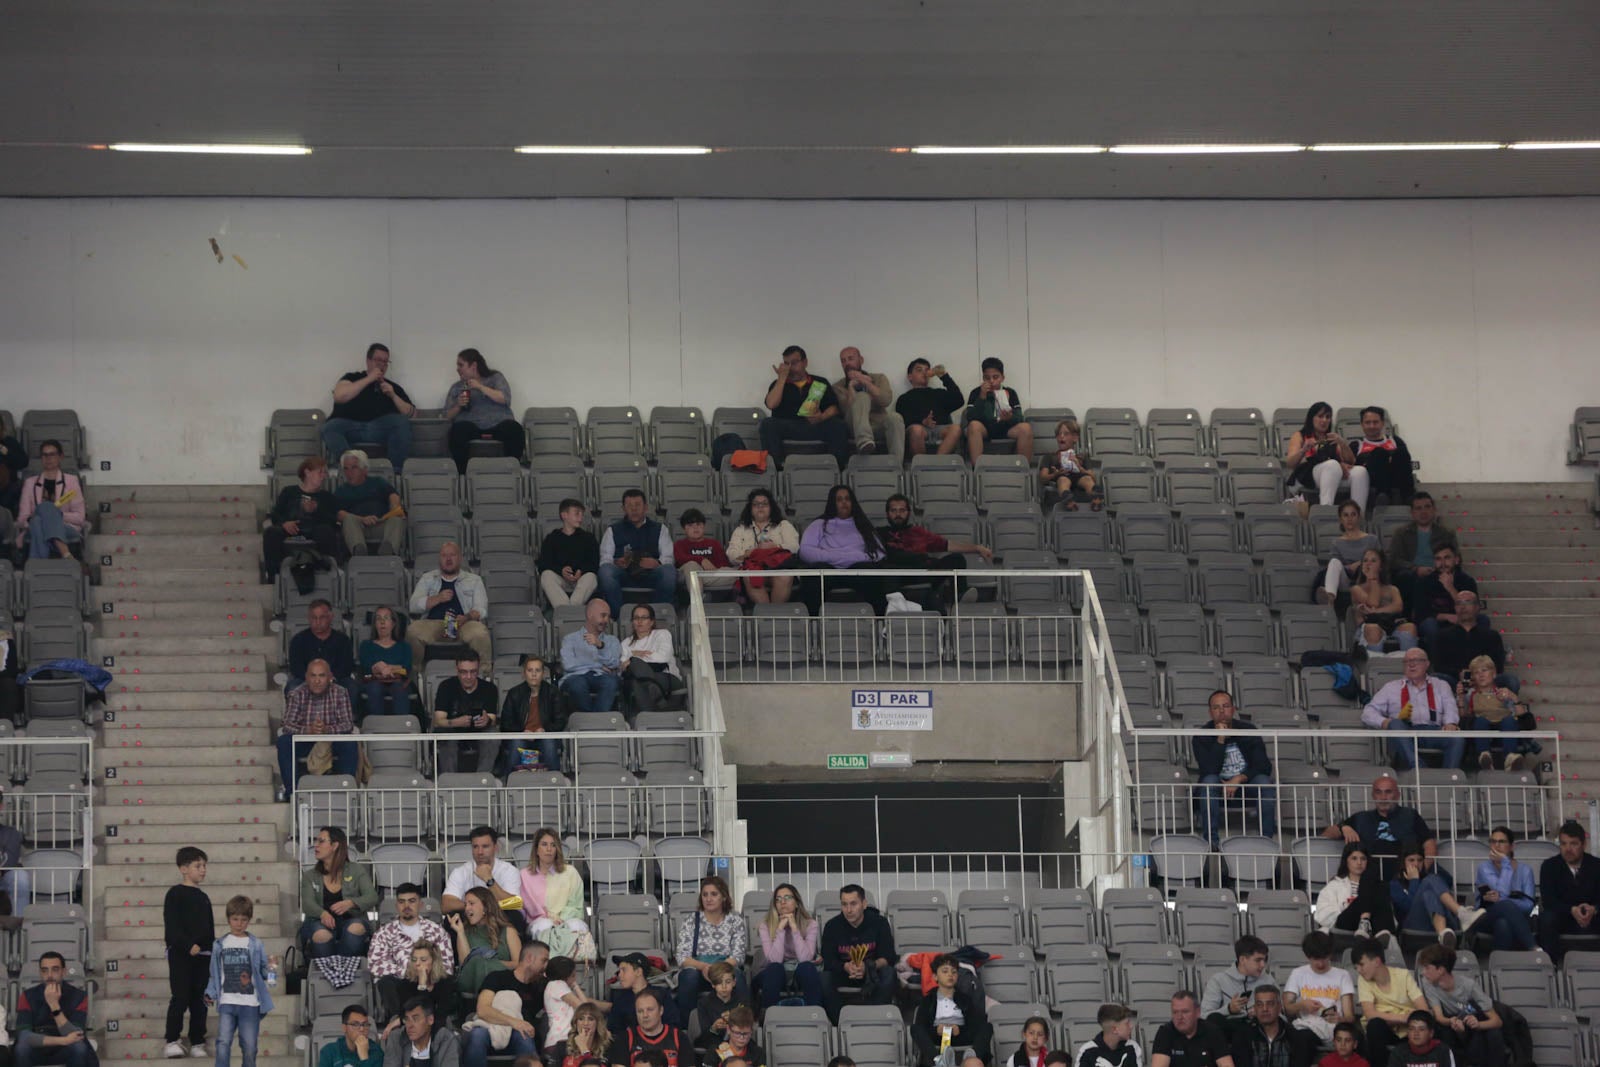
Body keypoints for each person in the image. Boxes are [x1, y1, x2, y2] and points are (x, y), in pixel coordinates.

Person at [1191, 691, 1278, 849]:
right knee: (1209, 782)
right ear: (1210, 712)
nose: (1222, 711)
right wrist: (1220, 739)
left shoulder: (1248, 730)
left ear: (1233, 709)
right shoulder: (1201, 736)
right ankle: (1212, 842)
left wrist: (1238, 778)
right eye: (1216, 708)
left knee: (1264, 782)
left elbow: (1264, 766)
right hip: (1219, 788)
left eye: (1226, 706)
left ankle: (1267, 841)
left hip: (1245, 786)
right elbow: (1208, 769)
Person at [205, 895, 279, 1067]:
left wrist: (272, 971)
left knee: (250, 1047)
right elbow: (214, 974)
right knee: (223, 1042)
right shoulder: (219, 945)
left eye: (244, 919)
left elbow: (264, 970)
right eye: (235, 919)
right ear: (228, 919)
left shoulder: (256, 944)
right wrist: (210, 992)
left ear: (249, 920)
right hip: (227, 1002)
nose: (239, 923)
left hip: (250, 1003)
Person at [1322, 775, 1436, 883]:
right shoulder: (1361, 818)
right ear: (1373, 796)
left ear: (1397, 795)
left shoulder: (1411, 816)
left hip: (1404, 875)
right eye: (1378, 792)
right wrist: (1343, 827)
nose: (1383, 797)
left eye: (1388, 792)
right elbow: (1327, 834)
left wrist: (1419, 871)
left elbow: (1429, 844)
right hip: (1371, 877)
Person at [1361, 650, 1463, 771]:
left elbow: (1450, 707)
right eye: (1407, 661)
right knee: (1395, 724)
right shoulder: (1391, 687)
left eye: (1416, 660)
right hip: (1405, 732)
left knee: (1457, 738)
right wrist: (1384, 722)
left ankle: (1450, 780)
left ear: (1427, 664)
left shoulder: (1441, 685)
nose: (1411, 665)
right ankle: (1418, 769)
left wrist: (1450, 723)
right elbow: (1367, 712)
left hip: (1434, 731)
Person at [369, 882, 457, 1022]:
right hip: (402, 982)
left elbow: (447, 965)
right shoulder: (384, 933)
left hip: (431, 981)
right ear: (396, 905)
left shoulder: (436, 931)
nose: (406, 906)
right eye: (402, 902)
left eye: (412, 901)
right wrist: (412, 971)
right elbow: (376, 966)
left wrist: (426, 973)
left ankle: (439, 1024)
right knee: (385, 982)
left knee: (448, 981)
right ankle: (401, 1021)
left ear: (420, 904)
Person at [325, 343, 415, 473]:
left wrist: (393, 395)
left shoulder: (392, 387)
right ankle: (350, 468)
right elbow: (339, 396)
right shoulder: (352, 378)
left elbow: (411, 414)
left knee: (401, 423)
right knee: (329, 427)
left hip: (379, 429)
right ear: (368, 361)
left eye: (385, 361)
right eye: (378, 360)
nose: (382, 365)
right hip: (351, 426)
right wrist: (370, 378)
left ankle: (395, 473)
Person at [798, 485, 887, 613]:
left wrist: (856, 558)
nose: (844, 502)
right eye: (839, 499)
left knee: (873, 573)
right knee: (813, 575)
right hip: (828, 570)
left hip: (857, 570)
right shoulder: (819, 524)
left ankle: (879, 623)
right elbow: (805, 552)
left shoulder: (863, 524)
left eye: (847, 499)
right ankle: (813, 625)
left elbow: (879, 553)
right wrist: (843, 557)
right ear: (832, 503)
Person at [276, 660, 358, 799]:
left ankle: (347, 792)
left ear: (330, 677)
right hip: (306, 739)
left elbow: (347, 724)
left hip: (332, 739)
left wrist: (327, 729)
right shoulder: (297, 693)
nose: (317, 680)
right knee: (284, 742)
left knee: (349, 742)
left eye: (322, 675)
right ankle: (293, 793)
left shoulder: (340, 692)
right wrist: (307, 730)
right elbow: (287, 725)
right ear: (307, 677)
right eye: (313, 676)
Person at [1414, 945, 1505, 1067]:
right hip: (1454, 1024)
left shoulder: (1468, 986)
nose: (1423, 973)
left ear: (1440, 970)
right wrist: (1451, 1021)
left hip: (1476, 1024)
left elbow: (1497, 1021)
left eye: (1427, 968)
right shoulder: (1429, 983)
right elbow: (1439, 1017)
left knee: (1493, 1035)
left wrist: (1478, 1025)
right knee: (1443, 1033)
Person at [672, 876, 749, 1020]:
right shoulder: (691, 921)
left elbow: (738, 956)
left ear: (724, 897)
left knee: (737, 977)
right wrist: (703, 967)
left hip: (725, 967)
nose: (708, 899)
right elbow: (682, 956)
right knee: (688, 977)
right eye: (705, 894)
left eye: (714, 894)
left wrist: (718, 969)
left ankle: (740, 1021)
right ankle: (687, 1024)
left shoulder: (735, 921)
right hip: (698, 968)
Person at [760, 345, 849, 468]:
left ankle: (836, 469)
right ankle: (776, 469)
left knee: (839, 425)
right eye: (786, 364)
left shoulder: (820, 382)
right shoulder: (778, 384)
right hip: (788, 426)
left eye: (794, 363)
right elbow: (771, 404)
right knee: (767, 424)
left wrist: (822, 417)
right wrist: (781, 379)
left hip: (814, 425)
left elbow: (834, 407)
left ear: (805, 362)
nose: (790, 368)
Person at [819, 884, 898, 1024]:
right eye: (844, 904)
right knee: (824, 978)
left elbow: (889, 957)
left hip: (871, 972)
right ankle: (841, 1023)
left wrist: (868, 966)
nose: (848, 910)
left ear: (864, 904)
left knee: (889, 973)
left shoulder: (879, 923)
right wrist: (846, 967)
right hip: (844, 972)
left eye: (853, 904)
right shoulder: (832, 926)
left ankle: (875, 1021)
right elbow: (828, 960)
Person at [462, 941, 548, 1067]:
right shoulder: (497, 977)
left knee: (524, 1035)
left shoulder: (541, 987)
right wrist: (514, 1022)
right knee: (477, 1034)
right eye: (544, 960)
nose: (546, 966)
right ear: (529, 958)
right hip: (492, 1028)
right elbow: (483, 1010)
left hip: (522, 1035)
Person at [163, 846, 213, 1059]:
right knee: (180, 997)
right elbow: (172, 927)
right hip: (181, 955)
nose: (202, 870)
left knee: (199, 1001)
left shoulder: (203, 897)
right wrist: (187, 945)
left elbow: (208, 928)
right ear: (183, 868)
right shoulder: (175, 894)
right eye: (197, 866)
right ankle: (172, 1040)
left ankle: (197, 1041)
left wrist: (205, 947)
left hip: (202, 957)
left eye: (204, 866)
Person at [408, 542, 492, 665]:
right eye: (444, 555)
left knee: (480, 633)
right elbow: (413, 606)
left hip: (464, 623)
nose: (448, 559)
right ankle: (415, 676)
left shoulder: (474, 580)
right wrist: (437, 598)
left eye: (452, 555)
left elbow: (482, 609)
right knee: (413, 631)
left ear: (460, 558)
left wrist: (467, 617)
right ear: (439, 558)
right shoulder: (427, 578)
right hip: (434, 623)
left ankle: (484, 674)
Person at [298, 826, 376, 958]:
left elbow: (372, 897)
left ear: (334, 846)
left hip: (352, 919)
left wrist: (351, 903)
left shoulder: (356, 870)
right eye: (316, 841)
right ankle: (328, 971)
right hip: (318, 922)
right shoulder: (309, 876)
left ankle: (344, 968)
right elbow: (307, 903)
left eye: (321, 841)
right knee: (321, 934)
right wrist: (322, 913)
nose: (315, 845)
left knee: (355, 928)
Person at [1388, 843, 1483, 950]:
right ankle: (1462, 913)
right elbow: (1408, 907)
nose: (1416, 864)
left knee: (1430, 889)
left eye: (1419, 860)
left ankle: (1443, 934)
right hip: (1413, 925)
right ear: (1402, 862)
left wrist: (1432, 865)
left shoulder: (1429, 880)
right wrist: (1414, 881)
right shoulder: (1394, 885)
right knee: (1430, 882)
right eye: (1411, 860)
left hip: (1443, 923)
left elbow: (1449, 880)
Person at [444, 349, 523, 474]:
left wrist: (480, 387)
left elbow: (505, 398)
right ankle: (463, 475)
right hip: (471, 426)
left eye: (461, 365)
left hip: (498, 424)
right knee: (457, 431)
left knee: (515, 430)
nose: (457, 369)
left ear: (473, 366)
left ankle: (512, 472)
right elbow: (447, 416)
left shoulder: (496, 378)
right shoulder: (457, 387)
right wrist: (458, 406)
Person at [598, 490, 677, 615]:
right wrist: (616, 562)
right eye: (629, 506)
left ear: (645, 507)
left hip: (651, 574)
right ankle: (618, 616)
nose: (634, 509)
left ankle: (656, 615)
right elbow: (605, 560)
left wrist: (657, 563)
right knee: (606, 571)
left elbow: (668, 557)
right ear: (623, 508)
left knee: (669, 571)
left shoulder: (660, 529)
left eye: (637, 505)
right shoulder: (612, 530)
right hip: (624, 574)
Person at [14, 951, 99, 1067]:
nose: (49, 975)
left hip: (65, 1050)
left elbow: (76, 1035)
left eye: (55, 969)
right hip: (39, 1047)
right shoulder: (27, 995)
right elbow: (24, 1035)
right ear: (40, 973)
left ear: (63, 972)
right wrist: (63, 1040)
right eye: (44, 970)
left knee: (79, 1047)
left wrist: (54, 1006)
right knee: (22, 1047)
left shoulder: (79, 996)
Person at [263, 455, 340, 581]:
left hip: (315, 529)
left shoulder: (326, 497)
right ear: (307, 472)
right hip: (291, 528)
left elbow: (332, 521)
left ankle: (329, 573)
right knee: (271, 533)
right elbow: (276, 514)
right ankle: (274, 576)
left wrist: (316, 511)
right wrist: (285, 523)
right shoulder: (289, 492)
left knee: (326, 532)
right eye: (320, 472)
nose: (323, 476)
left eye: (325, 473)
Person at [518, 829, 591, 960]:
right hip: (538, 920)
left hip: (567, 918)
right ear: (536, 849)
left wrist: (560, 919)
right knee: (545, 926)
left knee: (577, 925)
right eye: (544, 844)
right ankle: (549, 966)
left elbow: (576, 904)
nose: (549, 849)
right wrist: (550, 917)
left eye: (553, 845)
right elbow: (527, 906)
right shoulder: (524, 875)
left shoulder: (570, 872)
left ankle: (569, 966)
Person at [1353, 941, 1427, 1067]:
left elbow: (1423, 1009)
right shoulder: (1363, 980)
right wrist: (1402, 1018)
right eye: (1356, 967)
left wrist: (1409, 1021)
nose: (1359, 970)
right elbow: (1370, 1014)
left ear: (1376, 961)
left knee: (1430, 1026)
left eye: (1361, 965)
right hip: (1384, 1031)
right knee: (1375, 1025)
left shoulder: (1403, 975)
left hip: (1408, 1030)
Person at [911, 954, 992, 1067]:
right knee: (915, 1028)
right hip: (937, 1036)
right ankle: (939, 1060)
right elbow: (921, 1024)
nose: (950, 975)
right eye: (945, 971)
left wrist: (959, 1029)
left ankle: (971, 1057)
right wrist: (936, 1030)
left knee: (987, 1026)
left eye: (954, 972)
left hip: (960, 1035)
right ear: (935, 976)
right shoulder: (928, 999)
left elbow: (975, 1023)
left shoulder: (965, 998)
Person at [1285, 402, 1367, 513]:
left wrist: (1342, 443)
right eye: (1320, 416)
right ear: (1311, 418)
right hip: (1306, 475)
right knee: (1332, 465)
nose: (1324, 420)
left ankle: (1357, 515)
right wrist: (1303, 450)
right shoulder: (1300, 435)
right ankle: (1326, 513)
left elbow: (1351, 461)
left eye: (1327, 417)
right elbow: (1290, 463)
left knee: (1360, 472)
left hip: (1331, 473)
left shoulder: (1332, 437)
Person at [1314, 844, 1400, 948]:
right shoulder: (1334, 885)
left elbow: (1388, 913)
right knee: (1368, 895)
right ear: (1346, 861)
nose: (1359, 863)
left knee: (1379, 886)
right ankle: (1364, 922)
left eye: (1363, 858)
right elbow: (1324, 915)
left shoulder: (1378, 887)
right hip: (1344, 923)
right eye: (1354, 858)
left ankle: (1374, 931)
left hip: (1375, 925)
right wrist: (1350, 906)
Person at [1537, 820, 1600, 961]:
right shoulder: (1549, 866)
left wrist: (1594, 909)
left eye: (1573, 844)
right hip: (1564, 917)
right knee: (1547, 918)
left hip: (1593, 917)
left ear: (1584, 845)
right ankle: (1550, 966)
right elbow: (1549, 901)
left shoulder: (1597, 865)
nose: (1568, 849)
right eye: (1564, 843)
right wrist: (1571, 910)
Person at [13, 440, 86, 561]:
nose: (48, 458)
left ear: (60, 456)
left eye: (52, 454)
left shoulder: (71, 481)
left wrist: (56, 515)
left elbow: (80, 517)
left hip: (66, 527)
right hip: (33, 527)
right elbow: (22, 518)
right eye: (44, 455)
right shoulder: (30, 483)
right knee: (38, 519)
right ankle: (64, 550)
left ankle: (37, 567)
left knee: (41, 515)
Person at [753, 883, 822, 1009]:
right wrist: (780, 929)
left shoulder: (811, 924)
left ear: (796, 903)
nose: (782, 902)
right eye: (778, 899)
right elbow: (774, 960)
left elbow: (805, 958)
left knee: (807, 967)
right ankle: (768, 1018)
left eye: (787, 898)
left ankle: (814, 1016)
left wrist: (794, 928)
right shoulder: (765, 926)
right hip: (772, 973)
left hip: (799, 971)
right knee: (775, 968)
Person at [1386, 494, 1457, 615]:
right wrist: (1415, 569)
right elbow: (1394, 559)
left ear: (1434, 510)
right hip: (1412, 575)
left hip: (1439, 573)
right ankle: (1408, 618)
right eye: (1418, 508)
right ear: (1412, 513)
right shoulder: (1402, 533)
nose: (1423, 511)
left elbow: (1456, 558)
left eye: (1427, 507)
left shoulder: (1446, 533)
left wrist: (1440, 569)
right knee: (1405, 577)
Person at [879, 493, 993, 569]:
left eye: (902, 510)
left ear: (908, 513)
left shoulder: (918, 532)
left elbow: (947, 545)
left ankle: (960, 596)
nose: (898, 514)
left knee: (956, 559)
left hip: (921, 574)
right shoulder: (880, 534)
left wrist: (977, 548)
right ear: (887, 514)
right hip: (896, 576)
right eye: (893, 511)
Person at [441, 827, 524, 930]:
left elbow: (515, 904)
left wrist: (489, 880)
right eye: (475, 847)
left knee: (515, 917)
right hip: (470, 916)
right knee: (452, 918)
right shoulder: (460, 872)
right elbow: (446, 905)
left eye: (485, 846)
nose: (480, 852)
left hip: (497, 917)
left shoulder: (509, 870)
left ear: (495, 847)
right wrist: (476, 907)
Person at [448, 886, 522, 1000]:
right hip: (471, 986)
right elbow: (466, 966)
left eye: (471, 903)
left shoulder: (508, 931)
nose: (467, 908)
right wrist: (460, 932)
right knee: (478, 961)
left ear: (486, 907)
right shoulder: (465, 931)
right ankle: (483, 1005)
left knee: (482, 963)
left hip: (501, 984)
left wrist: (490, 964)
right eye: (465, 904)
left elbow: (518, 964)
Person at [725, 490, 798, 605]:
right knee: (749, 575)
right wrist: (748, 554)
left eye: (764, 504)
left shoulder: (783, 525)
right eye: (756, 504)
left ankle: (774, 614)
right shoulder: (741, 529)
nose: (760, 507)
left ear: (771, 507)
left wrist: (775, 546)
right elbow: (731, 554)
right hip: (754, 569)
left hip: (778, 568)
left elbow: (794, 547)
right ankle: (766, 616)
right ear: (750, 508)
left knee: (785, 575)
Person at [430, 651, 499, 774]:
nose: (468, 676)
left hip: (479, 731)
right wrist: (456, 722)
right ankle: (449, 780)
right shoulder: (446, 687)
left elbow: (493, 719)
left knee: (493, 734)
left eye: (473, 672)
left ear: (478, 670)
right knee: (445, 736)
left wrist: (486, 720)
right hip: (452, 730)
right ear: (457, 670)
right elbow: (438, 721)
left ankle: (483, 778)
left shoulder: (489, 688)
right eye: (464, 672)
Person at [1284, 932, 1357, 1046]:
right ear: (1308, 956)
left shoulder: (1343, 975)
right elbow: (1287, 1009)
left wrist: (1340, 1019)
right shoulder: (1298, 974)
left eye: (1325, 958)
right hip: (1308, 1027)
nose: (1321, 964)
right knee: (1303, 1037)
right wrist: (1302, 1005)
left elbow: (1350, 1017)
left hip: (1335, 1028)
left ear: (1330, 954)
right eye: (1316, 959)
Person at [833, 347, 905, 463]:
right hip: (854, 426)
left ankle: (896, 465)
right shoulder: (838, 387)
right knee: (861, 396)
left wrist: (865, 381)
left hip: (878, 425)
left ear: (861, 360)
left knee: (895, 418)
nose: (847, 363)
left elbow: (886, 400)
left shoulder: (879, 378)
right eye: (843, 361)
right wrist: (851, 387)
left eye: (850, 359)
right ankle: (864, 441)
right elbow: (845, 410)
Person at [1434, 594, 1515, 695]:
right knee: (1437, 678)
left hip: (1486, 679)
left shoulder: (1491, 636)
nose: (1463, 607)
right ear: (1455, 608)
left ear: (1477, 607)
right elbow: (1438, 665)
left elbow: (1498, 665)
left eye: (1468, 602)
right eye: (1459, 603)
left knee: (1510, 680)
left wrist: (1480, 673)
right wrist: (1460, 673)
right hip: (1455, 680)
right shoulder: (1443, 636)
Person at [1456, 654, 1525, 771]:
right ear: (1472, 677)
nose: (1481, 675)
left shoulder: (1503, 692)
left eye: (1484, 670)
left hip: (1502, 729)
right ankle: (1484, 757)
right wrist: (1461, 698)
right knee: (1480, 721)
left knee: (1509, 721)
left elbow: (1522, 716)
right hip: (1480, 730)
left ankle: (1510, 758)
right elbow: (1462, 717)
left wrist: (1513, 697)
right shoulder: (1470, 694)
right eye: (1476, 672)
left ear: (1493, 673)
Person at [496, 655, 562, 775]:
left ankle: (555, 781)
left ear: (543, 673)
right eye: (530, 670)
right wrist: (522, 731)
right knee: (517, 742)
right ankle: (510, 782)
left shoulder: (553, 693)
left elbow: (560, 721)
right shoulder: (514, 693)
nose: (534, 674)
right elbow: (505, 724)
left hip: (544, 735)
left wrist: (544, 730)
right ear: (524, 673)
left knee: (549, 743)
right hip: (522, 735)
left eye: (537, 670)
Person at [1472, 827, 1536, 951]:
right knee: (1505, 906)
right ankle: (1533, 947)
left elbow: (1529, 906)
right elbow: (1502, 893)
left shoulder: (1525, 870)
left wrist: (1503, 900)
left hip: (1520, 918)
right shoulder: (1484, 868)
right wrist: (1506, 864)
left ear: (1512, 846)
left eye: (1501, 842)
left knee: (1503, 923)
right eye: (1493, 841)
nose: (1496, 845)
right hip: (1488, 915)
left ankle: (1499, 962)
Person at [375, 941, 455, 1038]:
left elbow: (438, 1016)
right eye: (414, 959)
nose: (417, 963)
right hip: (411, 1029)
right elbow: (407, 1012)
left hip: (437, 1029)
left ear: (434, 962)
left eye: (423, 960)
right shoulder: (408, 983)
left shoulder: (445, 982)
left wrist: (422, 986)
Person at [334, 450, 404, 558]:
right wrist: (362, 519)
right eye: (346, 469)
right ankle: (359, 551)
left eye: (354, 468)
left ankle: (388, 551)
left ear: (364, 470)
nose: (349, 473)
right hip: (357, 527)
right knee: (348, 519)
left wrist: (394, 507)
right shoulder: (341, 491)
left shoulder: (377, 482)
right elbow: (338, 513)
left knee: (396, 519)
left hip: (381, 523)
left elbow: (393, 495)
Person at [1348, 550, 1419, 654]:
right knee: (1373, 629)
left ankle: (1406, 662)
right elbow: (1373, 603)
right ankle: (1376, 666)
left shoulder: (1392, 589)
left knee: (1410, 627)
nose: (1368, 564)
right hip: (1367, 625)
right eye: (1365, 561)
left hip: (1391, 623)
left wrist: (1375, 611)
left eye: (1373, 561)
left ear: (1381, 566)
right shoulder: (1356, 589)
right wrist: (1372, 579)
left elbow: (1398, 607)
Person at [964, 357, 1033, 462]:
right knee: (973, 426)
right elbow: (970, 417)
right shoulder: (976, 393)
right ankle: (977, 469)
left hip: (1006, 428)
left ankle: (1022, 470)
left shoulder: (1010, 392)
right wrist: (982, 397)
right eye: (987, 378)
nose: (991, 381)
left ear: (1002, 378)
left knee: (1026, 428)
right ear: (983, 378)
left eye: (995, 377)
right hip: (985, 429)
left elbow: (1019, 417)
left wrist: (1010, 417)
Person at [559, 598, 623, 713]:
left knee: (611, 682)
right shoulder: (570, 639)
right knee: (578, 684)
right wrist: (597, 665)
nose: (606, 620)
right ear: (590, 615)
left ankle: (594, 722)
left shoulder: (612, 641)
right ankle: (591, 721)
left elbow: (614, 664)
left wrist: (600, 646)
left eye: (608, 617)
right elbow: (568, 665)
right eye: (603, 616)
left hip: (602, 677)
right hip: (576, 677)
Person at [1200, 936, 1270, 1038]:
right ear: (1242, 960)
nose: (1263, 965)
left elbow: (1281, 1016)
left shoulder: (1268, 980)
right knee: (1214, 1019)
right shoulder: (1218, 980)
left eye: (1264, 960)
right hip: (1230, 1029)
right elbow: (1204, 1017)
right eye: (1258, 960)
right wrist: (1229, 1009)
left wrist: (1263, 1012)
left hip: (1257, 1028)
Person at [620, 604, 685, 714]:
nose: (639, 621)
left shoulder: (662, 634)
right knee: (636, 681)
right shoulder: (626, 643)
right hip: (639, 681)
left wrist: (635, 658)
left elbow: (663, 658)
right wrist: (646, 657)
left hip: (667, 678)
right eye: (636, 618)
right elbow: (622, 667)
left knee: (634, 664)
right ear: (632, 622)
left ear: (651, 621)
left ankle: (647, 717)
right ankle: (657, 701)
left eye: (644, 618)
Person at [1412, 547, 1478, 650]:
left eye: (1447, 558)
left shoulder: (1467, 581)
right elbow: (1421, 614)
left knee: (1483, 620)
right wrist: (1446, 616)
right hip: (1435, 621)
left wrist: (1450, 588)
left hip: (1461, 619)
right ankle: (1438, 663)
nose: (1442, 563)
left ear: (1456, 560)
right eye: (1438, 559)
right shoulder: (1424, 582)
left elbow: (1472, 609)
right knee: (1430, 625)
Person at [538, 499, 602, 607]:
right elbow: (543, 564)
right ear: (564, 515)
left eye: (582, 514)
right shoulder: (552, 538)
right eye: (577, 513)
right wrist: (561, 570)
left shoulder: (588, 538)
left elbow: (594, 563)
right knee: (546, 576)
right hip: (560, 579)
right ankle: (565, 609)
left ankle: (570, 609)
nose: (581, 517)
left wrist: (581, 571)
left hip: (581, 580)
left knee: (591, 577)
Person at [896, 359, 965, 458]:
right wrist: (922, 421)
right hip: (919, 430)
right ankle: (922, 466)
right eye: (919, 370)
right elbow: (903, 420)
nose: (924, 373)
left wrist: (944, 376)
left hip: (940, 429)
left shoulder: (938, 393)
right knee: (916, 430)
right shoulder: (904, 398)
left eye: (926, 370)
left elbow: (959, 400)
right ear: (910, 377)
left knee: (956, 428)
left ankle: (937, 461)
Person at [288, 599, 357, 696]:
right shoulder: (298, 640)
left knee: (351, 687)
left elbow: (346, 666)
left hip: (336, 680)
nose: (318, 621)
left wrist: (330, 679)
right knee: (292, 687)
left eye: (322, 618)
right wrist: (313, 679)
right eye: (314, 618)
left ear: (330, 617)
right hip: (307, 680)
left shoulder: (342, 640)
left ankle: (347, 712)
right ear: (309, 618)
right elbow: (296, 667)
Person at [1350, 408, 1415, 509]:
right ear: (1362, 424)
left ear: (1382, 423)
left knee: (1401, 453)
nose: (1372, 426)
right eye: (1368, 422)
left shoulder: (1395, 441)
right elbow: (1351, 467)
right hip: (1372, 480)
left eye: (1375, 422)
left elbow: (1405, 461)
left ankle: (1409, 496)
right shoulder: (1356, 445)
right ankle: (1383, 495)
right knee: (1379, 453)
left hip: (1396, 477)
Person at [358, 605, 413, 720]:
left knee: (399, 689)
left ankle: (402, 729)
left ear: (393, 624)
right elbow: (366, 667)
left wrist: (388, 668)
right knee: (375, 688)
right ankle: (376, 730)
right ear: (375, 624)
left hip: (398, 681)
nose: (382, 622)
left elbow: (406, 668)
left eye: (386, 618)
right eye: (378, 619)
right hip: (373, 681)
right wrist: (378, 668)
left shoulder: (404, 646)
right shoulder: (366, 645)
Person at [1318, 501, 1379, 606]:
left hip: (1366, 577)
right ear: (1341, 519)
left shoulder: (1372, 539)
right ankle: (1329, 597)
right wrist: (1350, 567)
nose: (1349, 519)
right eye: (1346, 515)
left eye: (1353, 514)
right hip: (1346, 579)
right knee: (1334, 562)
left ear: (1359, 517)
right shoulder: (1336, 543)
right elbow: (1337, 568)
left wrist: (1362, 563)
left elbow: (1379, 561)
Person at [1150, 991, 1233, 1067]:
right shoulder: (1165, 1032)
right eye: (1175, 1012)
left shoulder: (1212, 1031)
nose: (1179, 1017)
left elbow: (1226, 1064)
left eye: (1185, 1012)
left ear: (1197, 1012)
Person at [615, 988, 695, 1067]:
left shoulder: (679, 1037)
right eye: (640, 1011)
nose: (645, 1015)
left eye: (650, 1010)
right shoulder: (625, 1038)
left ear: (661, 1010)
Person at [1228, 987, 1305, 1067]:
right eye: (1259, 1004)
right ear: (1255, 1008)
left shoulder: (1295, 1037)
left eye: (1270, 1004)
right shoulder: (1243, 1036)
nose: (1264, 1009)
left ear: (1279, 1008)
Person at [605, 952, 681, 1033]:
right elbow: (613, 1031)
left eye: (624, 970)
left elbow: (673, 1025)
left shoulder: (661, 994)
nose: (619, 975)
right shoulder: (620, 999)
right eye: (619, 971)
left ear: (638, 972)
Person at [692, 963, 755, 1057]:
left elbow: (748, 1023)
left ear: (734, 982)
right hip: (714, 1041)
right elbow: (705, 1033)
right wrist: (714, 1027)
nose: (724, 986)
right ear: (713, 984)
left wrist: (734, 1018)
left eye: (728, 982)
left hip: (739, 1038)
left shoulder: (743, 999)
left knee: (753, 1049)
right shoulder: (704, 1003)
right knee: (717, 1049)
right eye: (719, 982)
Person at [381, 996, 461, 1067]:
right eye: (407, 1019)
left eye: (416, 1019)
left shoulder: (446, 1039)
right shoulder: (396, 1038)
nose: (410, 1025)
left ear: (430, 1020)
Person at [1042, 419, 1100, 511]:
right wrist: (1055, 474)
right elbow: (1043, 478)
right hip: (1062, 476)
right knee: (1063, 480)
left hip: (1079, 476)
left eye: (1066, 434)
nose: (1061, 436)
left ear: (1075, 438)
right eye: (1059, 434)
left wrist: (1081, 468)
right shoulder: (1050, 457)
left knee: (1087, 479)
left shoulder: (1082, 457)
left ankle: (1096, 498)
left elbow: (1093, 476)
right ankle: (1069, 501)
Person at [548, 981, 608, 1067]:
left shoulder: (607, 1048)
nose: (585, 1023)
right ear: (575, 1023)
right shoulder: (562, 1047)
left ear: (598, 1023)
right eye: (581, 1019)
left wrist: (584, 1049)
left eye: (590, 1019)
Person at [673, 509, 733, 590]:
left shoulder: (714, 544)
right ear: (684, 529)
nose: (695, 528)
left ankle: (698, 582)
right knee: (691, 566)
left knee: (735, 572)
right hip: (687, 574)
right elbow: (680, 559)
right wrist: (701, 560)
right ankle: (697, 600)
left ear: (704, 526)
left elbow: (723, 564)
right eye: (690, 525)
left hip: (712, 575)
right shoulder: (679, 544)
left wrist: (713, 571)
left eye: (698, 524)